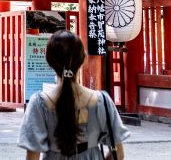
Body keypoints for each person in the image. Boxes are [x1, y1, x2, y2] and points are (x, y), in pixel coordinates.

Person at [18, 30, 129, 160]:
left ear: (49, 61)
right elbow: (118, 154)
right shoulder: (102, 101)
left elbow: (32, 155)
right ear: (84, 59)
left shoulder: (39, 103)